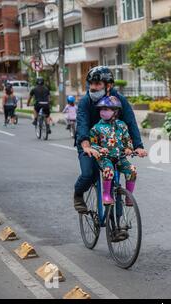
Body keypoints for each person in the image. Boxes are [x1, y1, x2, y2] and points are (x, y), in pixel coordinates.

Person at [73, 66, 147, 214]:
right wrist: (86, 146)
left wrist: (138, 146)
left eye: (98, 84)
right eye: (91, 84)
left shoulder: (119, 100)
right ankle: (78, 194)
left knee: (116, 183)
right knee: (89, 174)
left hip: (113, 147)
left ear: (109, 86)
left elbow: (130, 122)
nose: (93, 88)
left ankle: (117, 226)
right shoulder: (85, 101)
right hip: (90, 143)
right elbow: (82, 124)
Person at [90, 95, 137, 206]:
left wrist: (129, 149)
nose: (103, 112)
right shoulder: (96, 128)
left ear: (115, 111)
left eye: (106, 109)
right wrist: (101, 149)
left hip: (120, 157)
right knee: (108, 170)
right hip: (105, 158)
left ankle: (129, 196)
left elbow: (127, 140)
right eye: (101, 109)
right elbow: (92, 144)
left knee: (132, 170)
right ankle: (106, 195)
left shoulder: (122, 125)